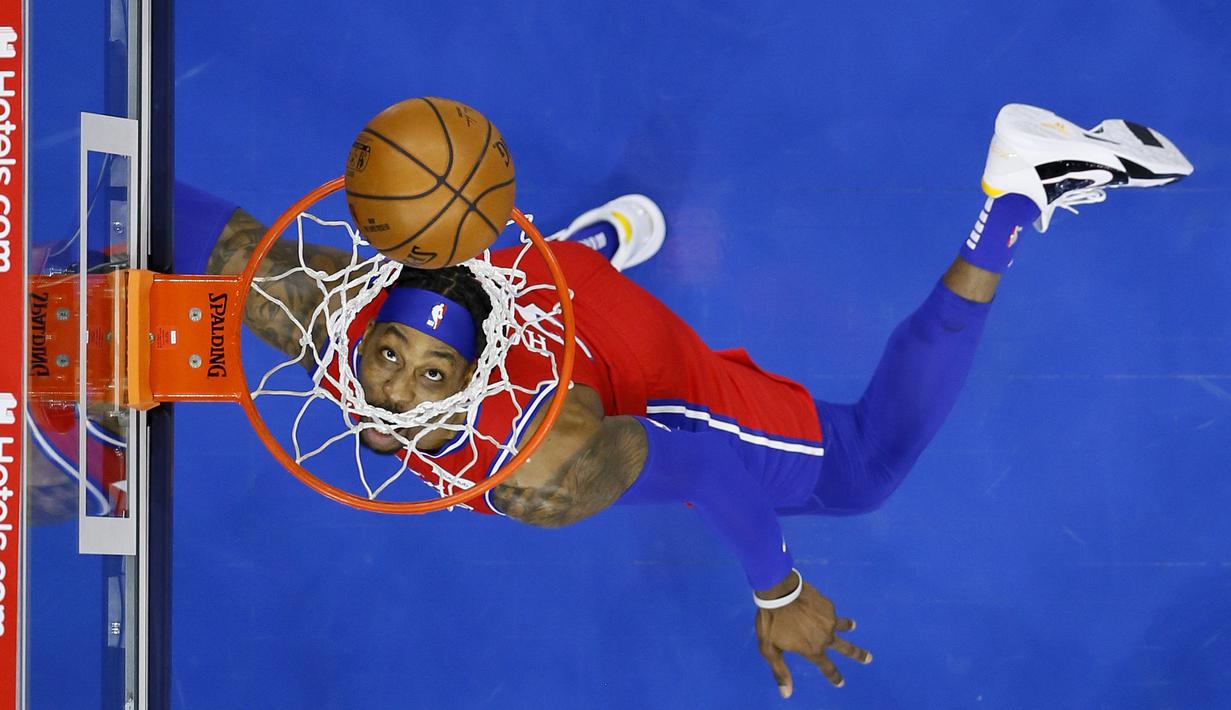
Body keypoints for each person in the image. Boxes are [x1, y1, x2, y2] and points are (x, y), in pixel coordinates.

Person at [193, 103, 1192, 698]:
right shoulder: (340, 326)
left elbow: (706, 464)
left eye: (427, 377)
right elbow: (219, 239)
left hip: (625, 359)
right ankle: (575, 256)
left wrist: (779, 589)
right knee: (261, 276)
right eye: (388, 360)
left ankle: (1013, 193)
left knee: (863, 468)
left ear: (479, 379)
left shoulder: (546, 461)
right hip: (530, 283)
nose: (393, 393)